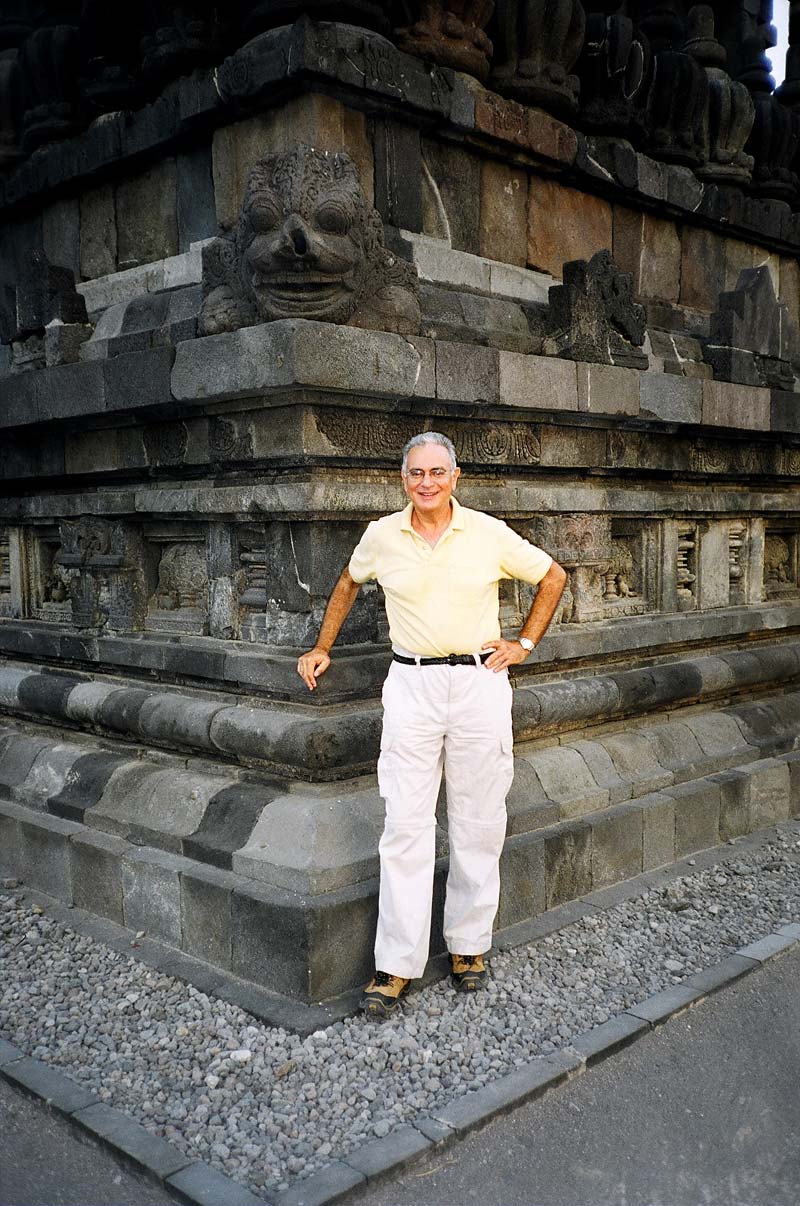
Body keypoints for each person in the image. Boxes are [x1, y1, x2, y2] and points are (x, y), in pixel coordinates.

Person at [297, 432, 566, 1017]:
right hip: (412, 684)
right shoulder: (381, 536)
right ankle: (395, 964)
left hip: (477, 682)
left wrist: (523, 642)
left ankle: (469, 946)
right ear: (403, 478)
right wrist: (322, 647)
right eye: (416, 472)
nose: (427, 482)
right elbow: (347, 583)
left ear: (455, 476)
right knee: (405, 824)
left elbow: (553, 577)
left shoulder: (487, 533)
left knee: (478, 818)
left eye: (437, 472)